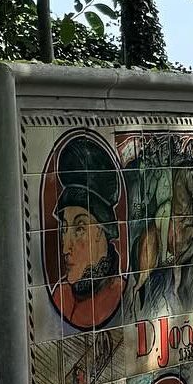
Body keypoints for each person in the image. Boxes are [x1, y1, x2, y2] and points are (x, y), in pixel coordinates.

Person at [49, 133, 124, 327]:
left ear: (103, 230)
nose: (66, 248)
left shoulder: (120, 293)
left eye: (80, 228)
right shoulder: (60, 296)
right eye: (64, 228)